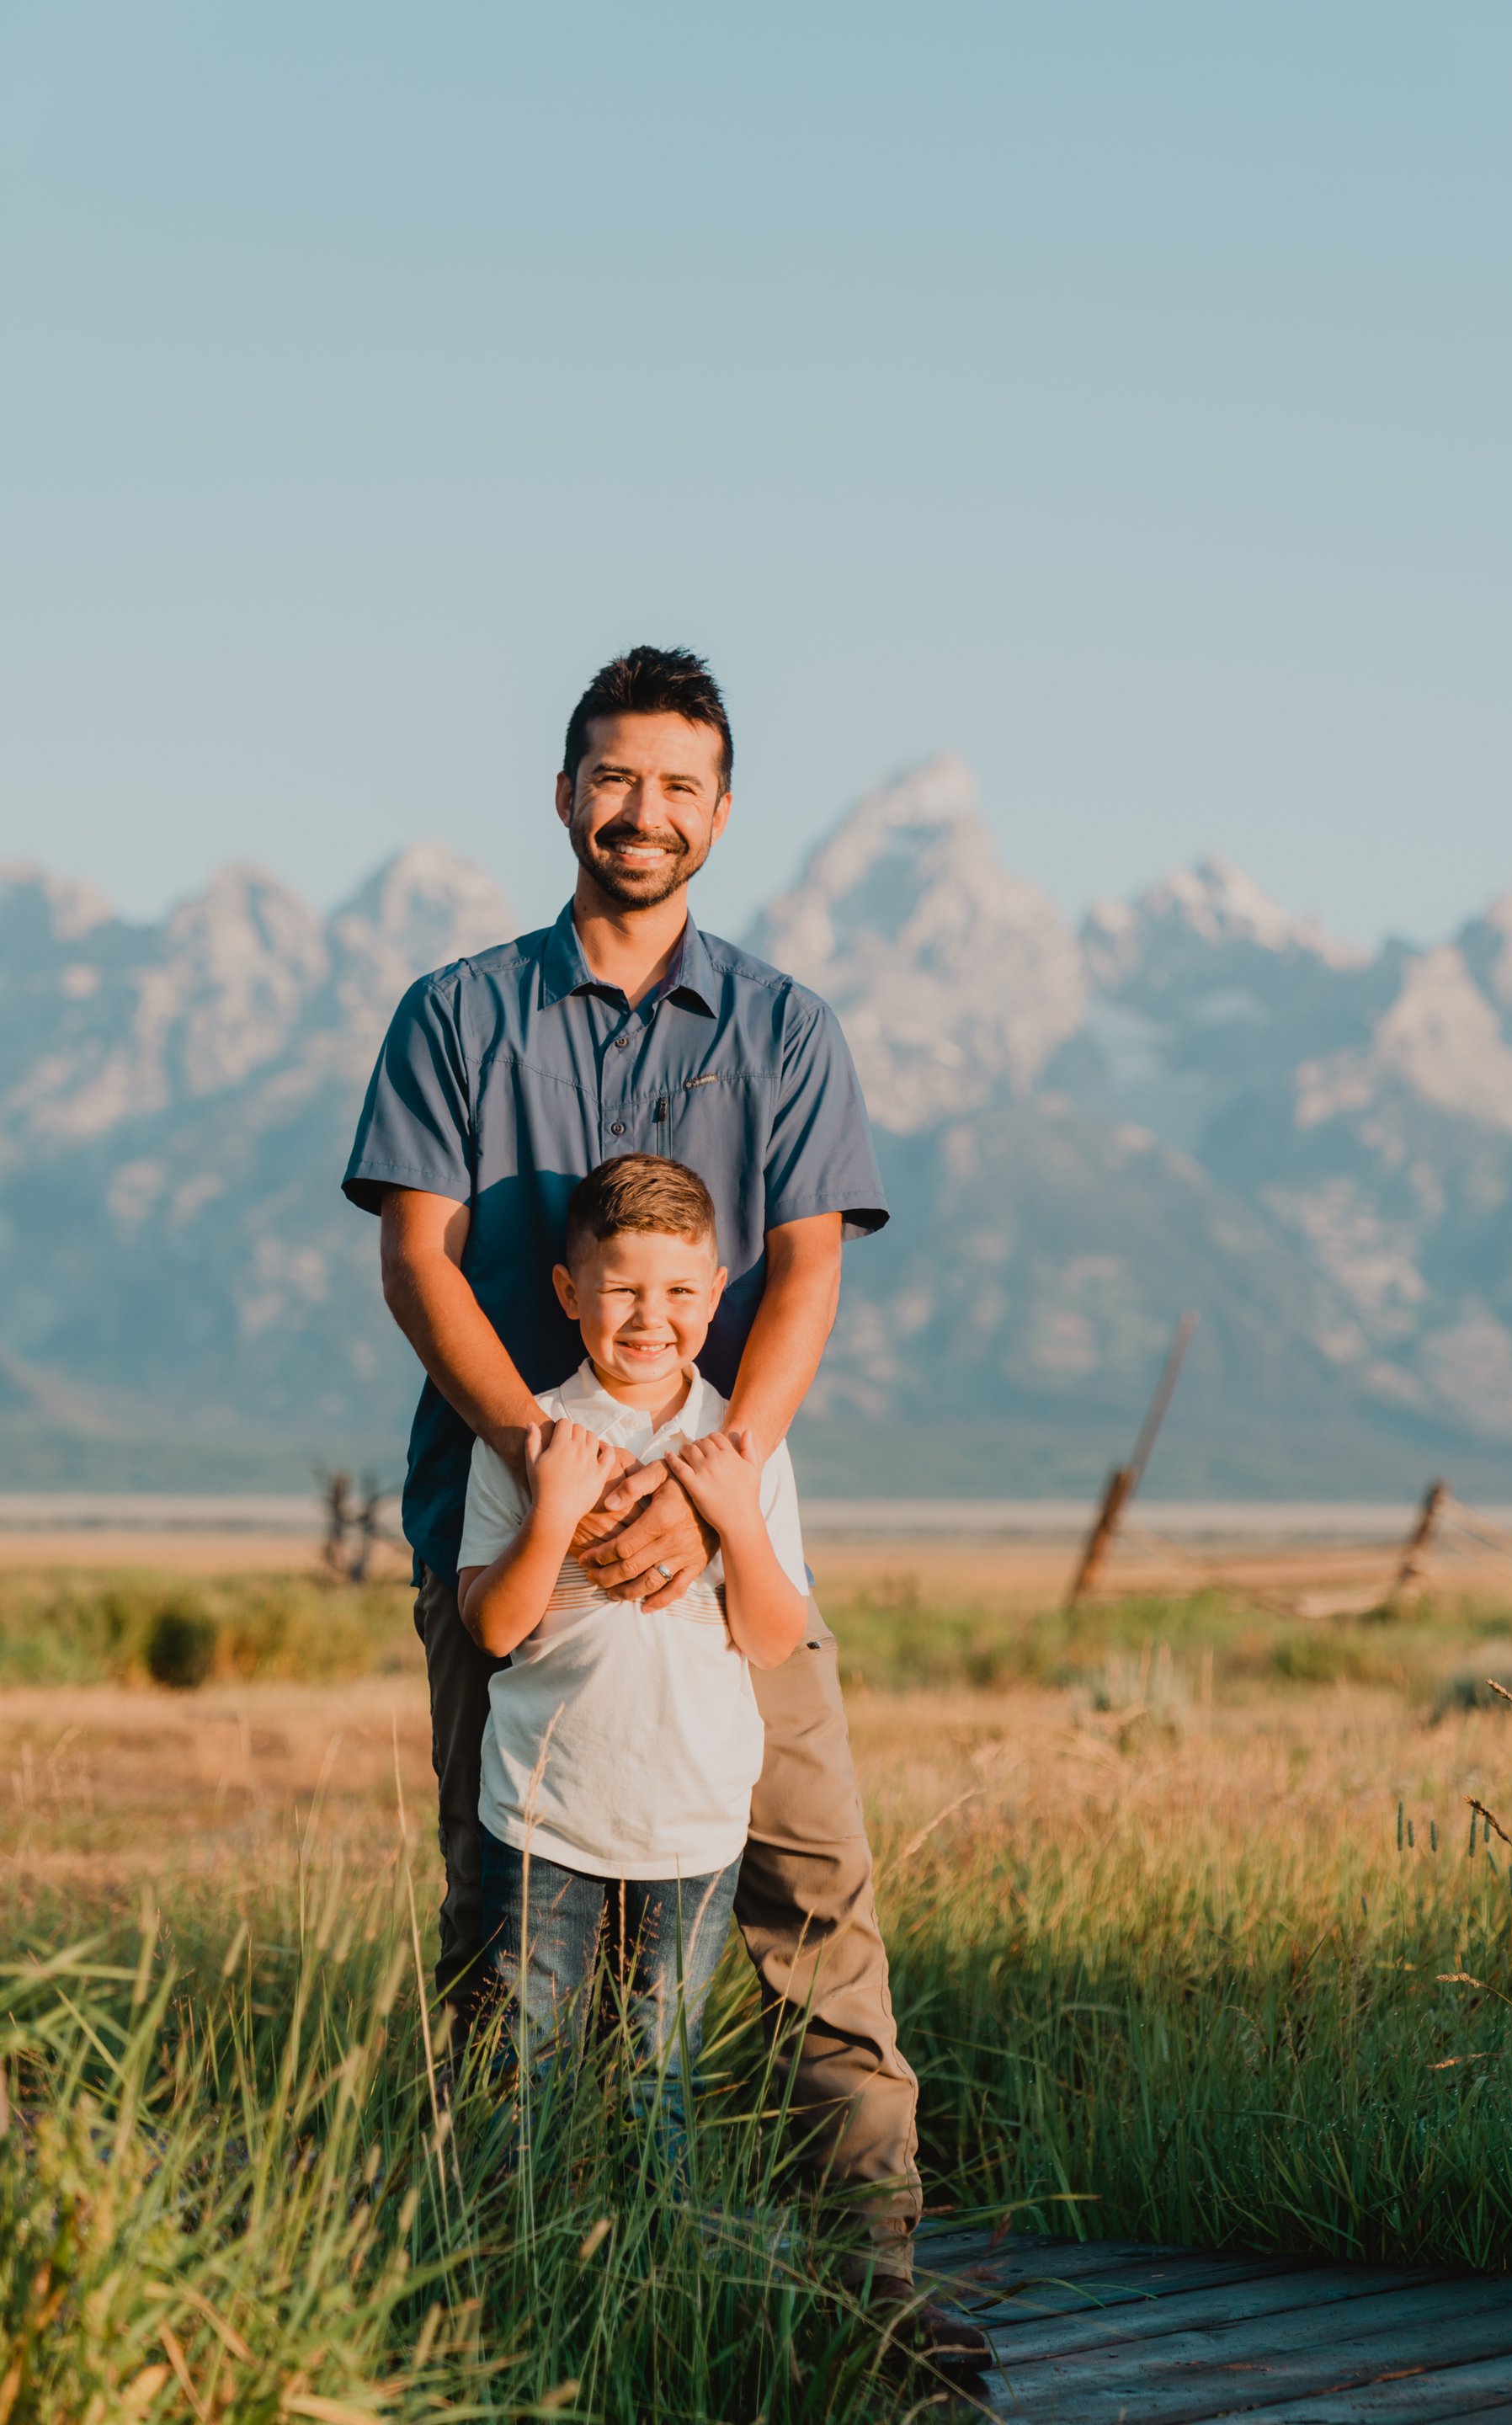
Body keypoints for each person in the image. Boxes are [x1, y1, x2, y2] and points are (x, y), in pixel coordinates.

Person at [343, 643, 988, 2359]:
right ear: (565, 794)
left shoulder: (787, 1029)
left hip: (739, 1541)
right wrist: (541, 1469)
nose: (646, 811)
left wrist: (711, 1498)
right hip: (506, 1531)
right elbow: (418, 1264)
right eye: (616, 778)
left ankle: (874, 2296)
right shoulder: (457, 1016)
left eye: (680, 785)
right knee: (505, 1927)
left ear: (723, 812)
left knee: (814, 1913)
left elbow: (807, 1278)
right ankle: (515, 2299)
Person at [459, 1154, 807, 2173]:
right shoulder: (531, 1438)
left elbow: (774, 1638)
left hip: (693, 1822)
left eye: (681, 1293)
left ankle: (658, 2257)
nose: (652, 1318)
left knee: (658, 2082)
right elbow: (492, 1629)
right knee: (522, 2074)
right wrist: (554, 1511)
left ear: (718, 1294)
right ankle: (518, 2256)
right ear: (570, 1293)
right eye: (621, 1291)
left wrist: (738, 1521)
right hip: (543, 1816)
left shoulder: (743, 1446)